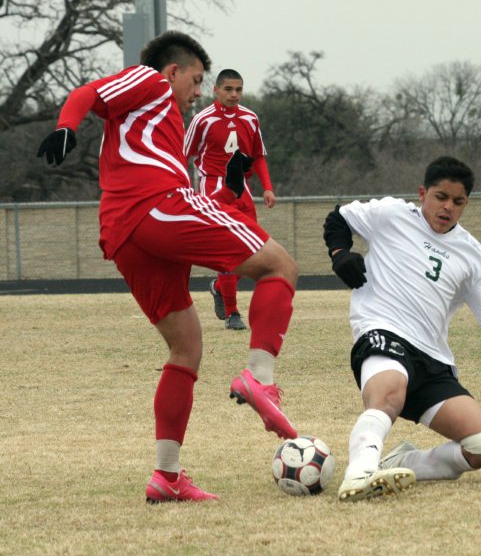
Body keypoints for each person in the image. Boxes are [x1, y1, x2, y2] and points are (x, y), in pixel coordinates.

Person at [35, 31, 300, 503]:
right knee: (281, 266)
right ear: (173, 71)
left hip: (124, 234)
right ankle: (259, 379)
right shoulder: (152, 83)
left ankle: (167, 476)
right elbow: (87, 94)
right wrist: (67, 126)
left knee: (187, 347)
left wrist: (232, 175)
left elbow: (163, 156)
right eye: (196, 80)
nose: (198, 91)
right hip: (154, 207)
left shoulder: (158, 120)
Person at [322, 156, 481, 502]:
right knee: (388, 394)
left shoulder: (471, 255)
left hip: (431, 359)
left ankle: (404, 461)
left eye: (457, 201)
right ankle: (359, 475)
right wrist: (341, 253)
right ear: (422, 194)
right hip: (381, 333)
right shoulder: (391, 215)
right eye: (440, 197)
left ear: (466, 204)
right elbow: (338, 217)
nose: (447, 207)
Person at [185, 69, 277, 330]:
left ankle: (218, 287)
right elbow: (183, 155)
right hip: (213, 188)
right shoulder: (202, 120)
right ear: (216, 90)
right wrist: (181, 189)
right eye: (228, 89)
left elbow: (257, 155)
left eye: (238, 90)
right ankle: (233, 313)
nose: (234, 94)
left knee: (252, 251)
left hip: (243, 190)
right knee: (227, 251)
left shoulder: (250, 118)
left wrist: (267, 188)